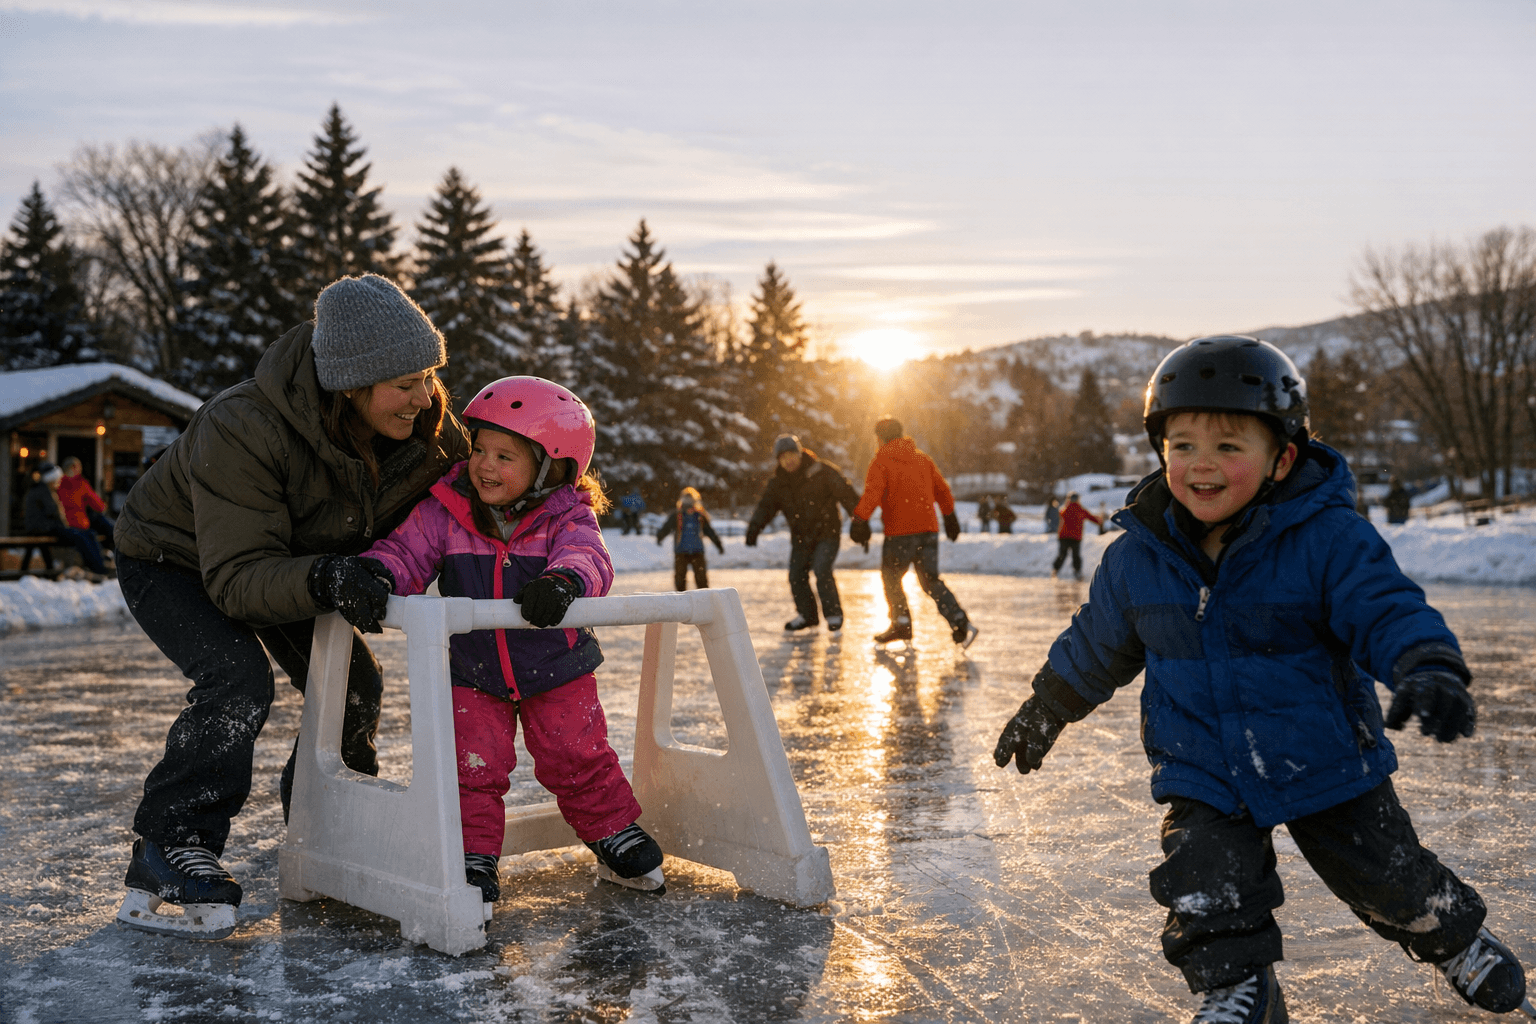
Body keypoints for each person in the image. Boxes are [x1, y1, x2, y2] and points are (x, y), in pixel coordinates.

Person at [993, 335, 1532, 1023]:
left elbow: (1384, 604)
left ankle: (1452, 937)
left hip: (1322, 752)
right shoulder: (1137, 559)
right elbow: (1095, 646)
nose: (1201, 465)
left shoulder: (1325, 538)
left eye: (1227, 446)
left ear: (1282, 456)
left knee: (1385, 877)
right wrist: (1048, 707)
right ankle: (1238, 988)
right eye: (1182, 445)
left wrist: (1426, 664)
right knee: (1203, 882)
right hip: (1202, 764)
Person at [110, 273, 470, 940]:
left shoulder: (428, 432)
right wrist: (332, 575)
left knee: (353, 686)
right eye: (406, 383)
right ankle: (170, 842)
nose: (425, 399)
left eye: (430, 376)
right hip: (177, 558)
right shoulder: (242, 427)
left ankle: (327, 825)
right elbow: (239, 580)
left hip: (291, 556)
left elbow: (478, 504)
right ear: (351, 385)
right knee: (236, 680)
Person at [361, 376, 665, 902]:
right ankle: (474, 855)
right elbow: (406, 552)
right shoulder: (446, 509)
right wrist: (377, 575)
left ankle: (611, 829)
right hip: (473, 670)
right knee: (472, 766)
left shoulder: (566, 513)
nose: (484, 465)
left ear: (551, 469)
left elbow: (588, 557)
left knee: (577, 754)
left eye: (506, 456)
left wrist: (562, 583)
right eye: (480, 449)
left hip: (556, 666)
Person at [849, 416, 977, 649]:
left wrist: (859, 519)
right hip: (928, 530)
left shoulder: (881, 461)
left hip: (900, 532)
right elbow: (942, 490)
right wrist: (950, 516)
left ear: (879, 438)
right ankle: (958, 619)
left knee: (891, 577)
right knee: (930, 581)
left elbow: (872, 494)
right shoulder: (922, 459)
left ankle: (902, 623)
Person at [745, 433, 863, 632]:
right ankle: (807, 616)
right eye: (782, 458)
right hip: (801, 537)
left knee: (822, 569)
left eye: (791, 454)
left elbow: (847, 494)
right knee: (796, 575)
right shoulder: (778, 483)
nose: (788, 460)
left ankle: (833, 615)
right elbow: (766, 507)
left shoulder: (822, 471)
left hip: (827, 533)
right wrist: (754, 528)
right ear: (778, 461)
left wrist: (860, 521)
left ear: (800, 453)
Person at [22, 461, 109, 575]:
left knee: (89, 534)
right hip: (45, 528)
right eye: (56, 479)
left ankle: (99, 564)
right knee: (81, 536)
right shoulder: (43, 491)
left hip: (46, 527)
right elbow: (53, 512)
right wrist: (64, 521)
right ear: (50, 479)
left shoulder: (44, 490)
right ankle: (97, 567)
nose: (58, 481)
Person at [656, 486, 723, 590]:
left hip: (697, 551)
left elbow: (709, 531)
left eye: (690, 500)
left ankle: (703, 599)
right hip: (681, 551)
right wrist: (660, 537)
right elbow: (667, 528)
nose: (688, 504)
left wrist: (718, 544)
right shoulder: (677, 516)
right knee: (680, 579)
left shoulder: (699, 516)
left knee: (701, 580)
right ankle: (681, 600)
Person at [57, 456, 115, 553]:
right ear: (74, 467)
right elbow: (100, 507)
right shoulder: (80, 484)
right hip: (79, 525)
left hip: (61, 525)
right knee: (104, 524)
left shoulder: (57, 484)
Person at [1051, 491, 1101, 580]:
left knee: (1062, 554)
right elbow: (1092, 518)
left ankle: (1055, 570)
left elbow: (1059, 514)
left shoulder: (1065, 509)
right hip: (1075, 537)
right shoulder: (1080, 510)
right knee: (1076, 556)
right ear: (1078, 500)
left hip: (1064, 536)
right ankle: (1077, 572)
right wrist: (1099, 520)